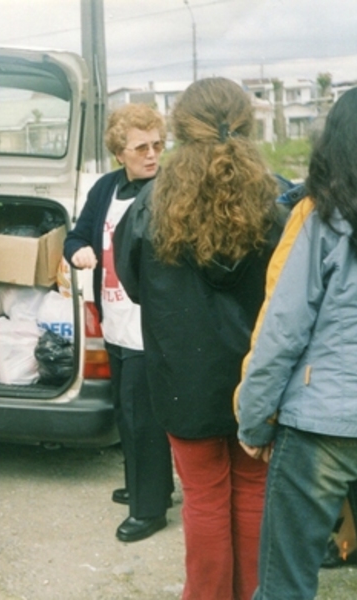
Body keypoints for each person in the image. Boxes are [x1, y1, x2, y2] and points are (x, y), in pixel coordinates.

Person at [114, 78, 284, 599]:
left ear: (181, 126)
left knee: (204, 500)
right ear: (247, 124)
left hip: (182, 379)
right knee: (254, 493)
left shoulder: (150, 203)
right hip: (257, 378)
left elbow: (134, 282)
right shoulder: (275, 198)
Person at [237, 86, 357, 599]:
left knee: (285, 583)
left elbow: (283, 329)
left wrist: (254, 416)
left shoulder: (324, 217)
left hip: (323, 419)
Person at [63, 103, 174, 543]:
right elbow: (77, 235)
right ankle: (149, 485)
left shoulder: (169, 189)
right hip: (114, 319)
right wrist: (77, 252)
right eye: (141, 147)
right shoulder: (106, 187)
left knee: (142, 415)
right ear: (119, 152)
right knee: (128, 413)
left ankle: (149, 511)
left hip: (152, 324)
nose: (152, 155)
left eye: (158, 145)